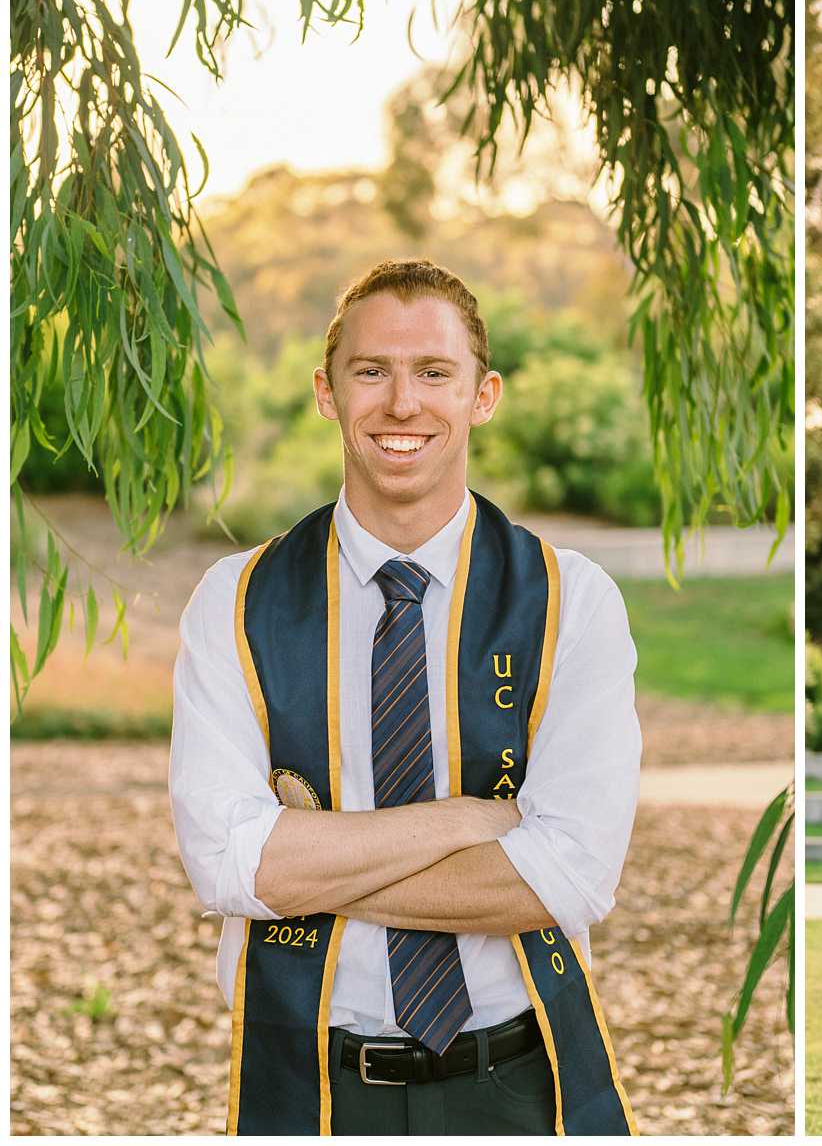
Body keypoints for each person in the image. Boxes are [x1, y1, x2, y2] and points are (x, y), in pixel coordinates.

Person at [170, 259, 640, 1135]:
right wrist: (469, 820)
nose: (401, 404)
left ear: (483, 395)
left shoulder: (571, 598)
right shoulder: (235, 601)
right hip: (310, 1082)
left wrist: (305, 869)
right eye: (371, 371)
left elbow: (569, 877)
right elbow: (228, 865)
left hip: (520, 1083)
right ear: (327, 390)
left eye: (434, 374)